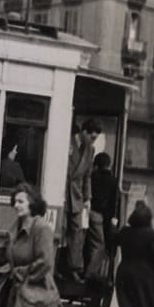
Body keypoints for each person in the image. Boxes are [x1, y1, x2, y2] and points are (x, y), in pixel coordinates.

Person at [65, 120, 101, 282]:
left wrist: (88, 198)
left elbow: (87, 177)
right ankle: (56, 266)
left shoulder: (90, 150)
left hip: (77, 197)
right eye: (92, 136)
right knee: (61, 229)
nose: (93, 140)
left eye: (96, 137)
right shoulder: (67, 140)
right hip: (63, 193)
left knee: (78, 232)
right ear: (83, 133)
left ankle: (74, 269)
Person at [86, 152, 119, 283]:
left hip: (86, 212)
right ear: (109, 164)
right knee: (99, 245)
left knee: (86, 243)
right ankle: (90, 273)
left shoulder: (92, 176)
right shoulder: (113, 180)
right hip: (99, 216)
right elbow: (113, 203)